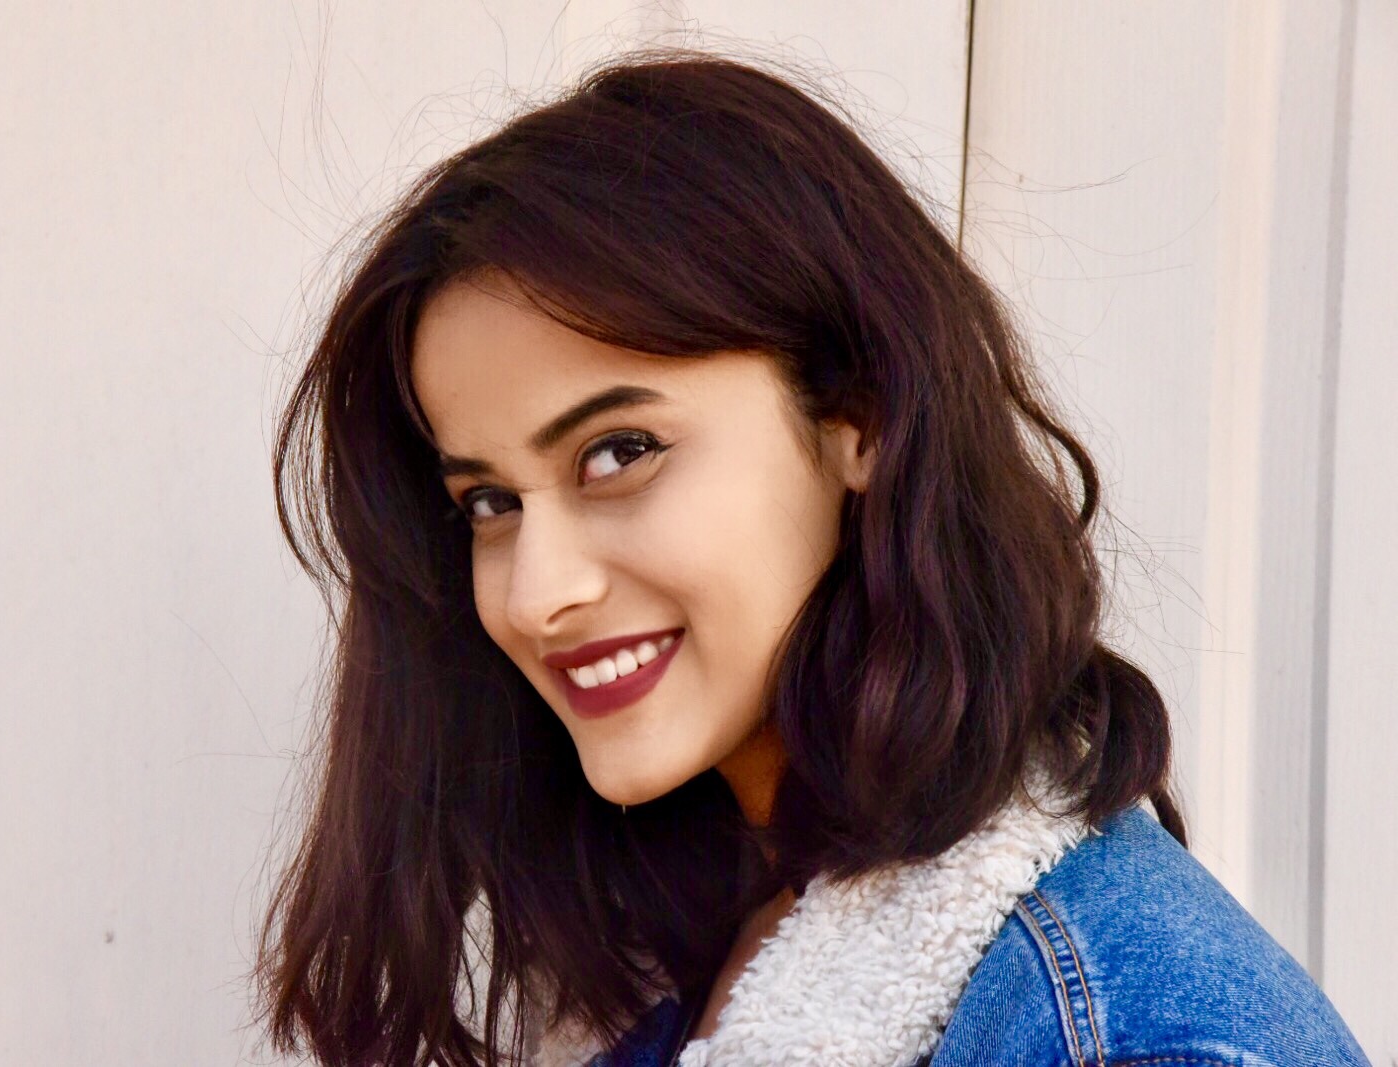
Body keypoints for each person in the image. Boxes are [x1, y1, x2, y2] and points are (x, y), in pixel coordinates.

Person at [252, 49, 1371, 1067]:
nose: (538, 593)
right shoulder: (688, 951)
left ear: (858, 417)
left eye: (619, 452)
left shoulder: (1140, 1042)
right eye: (490, 501)